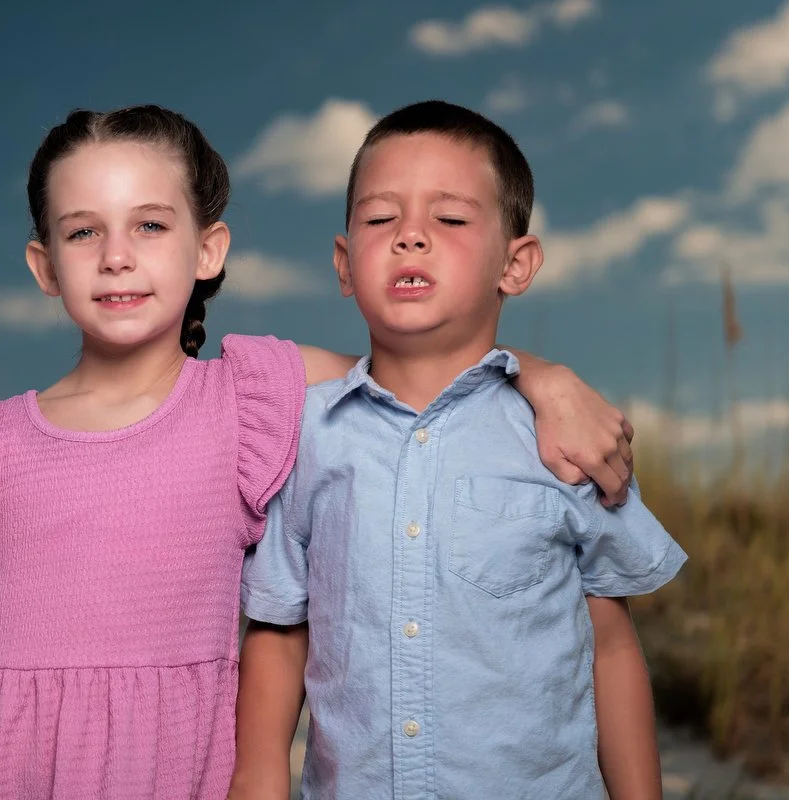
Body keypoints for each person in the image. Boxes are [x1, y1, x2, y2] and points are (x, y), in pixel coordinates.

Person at [0, 104, 636, 799]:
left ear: (208, 249)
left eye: (151, 225)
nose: (118, 254)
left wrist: (545, 378)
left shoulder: (252, 398)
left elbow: (419, 371)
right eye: (84, 232)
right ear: (45, 264)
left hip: (168, 770)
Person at [231, 101, 687, 800]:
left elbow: (611, 646)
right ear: (345, 263)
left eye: (449, 219)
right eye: (381, 219)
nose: (410, 237)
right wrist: (257, 780)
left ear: (517, 263)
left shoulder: (564, 438)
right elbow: (279, 627)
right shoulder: (305, 435)